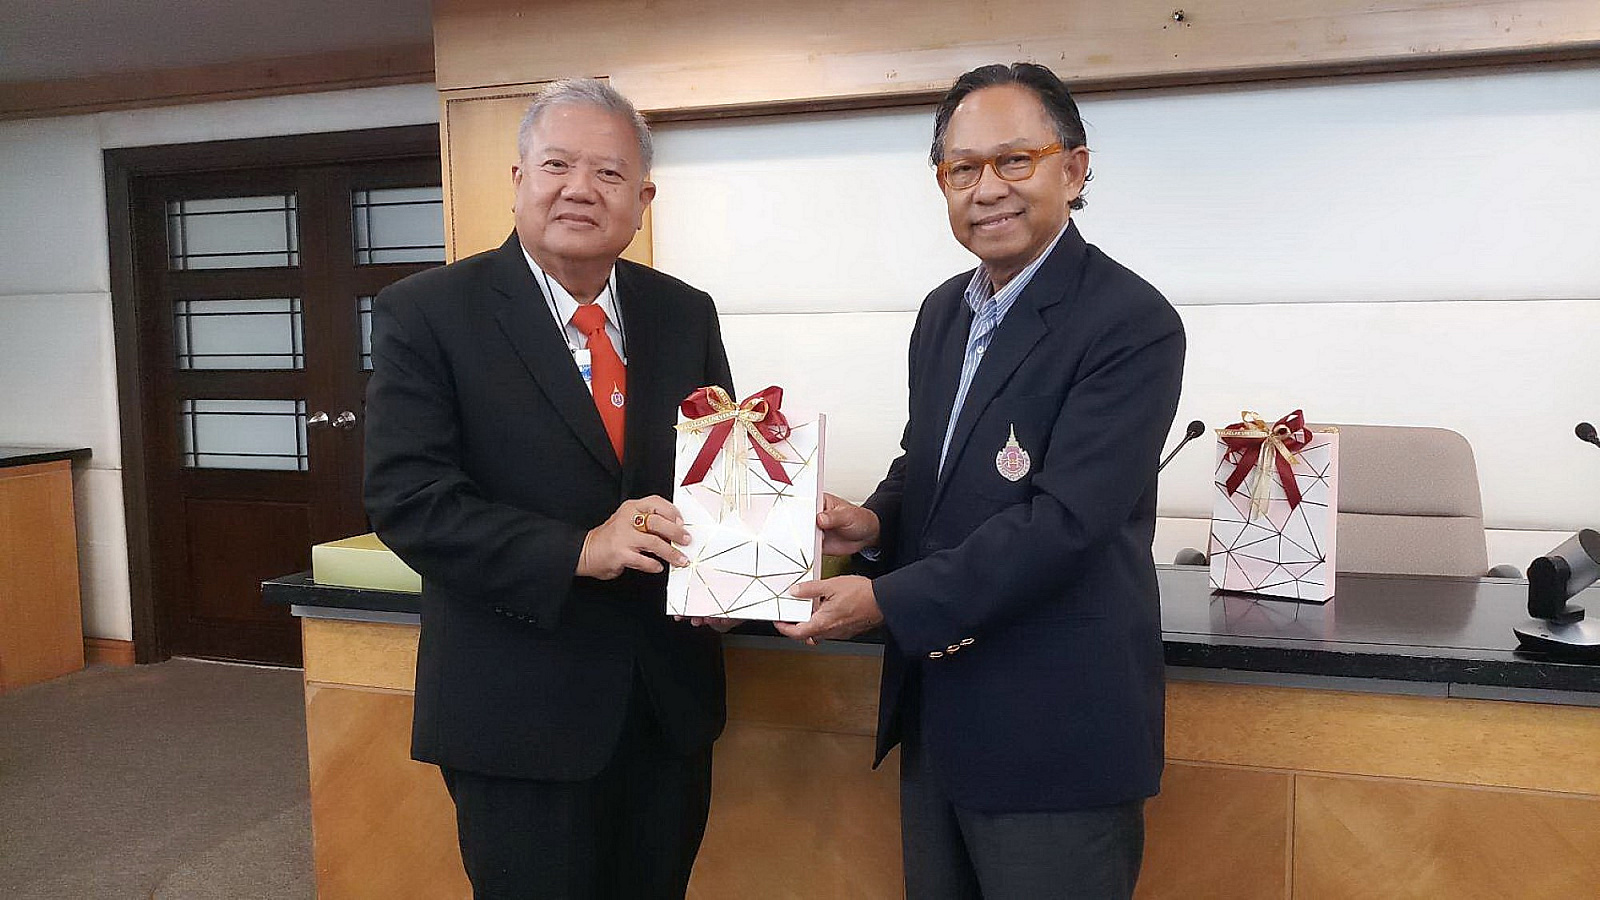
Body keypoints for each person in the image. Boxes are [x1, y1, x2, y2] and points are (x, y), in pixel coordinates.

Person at [777, 63, 1186, 898]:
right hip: (942, 713)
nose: (987, 188)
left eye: (1015, 160)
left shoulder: (1130, 321)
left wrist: (885, 599)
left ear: (1073, 170)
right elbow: (927, 461)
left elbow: (1066, 523)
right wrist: (875, 522)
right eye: (962, 168)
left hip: (1056, 733)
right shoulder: (944, 311)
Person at [364, 78, 734, 899]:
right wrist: (580, 549)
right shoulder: (428, 313)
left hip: (666, 704)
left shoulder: (684, 312)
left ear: (642, 199)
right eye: (558, 165)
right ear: (519, 179)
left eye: (609, 173)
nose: (580, 188)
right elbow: (408, 499)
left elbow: (714, 472)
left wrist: (755, 541)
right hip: (516, 710)